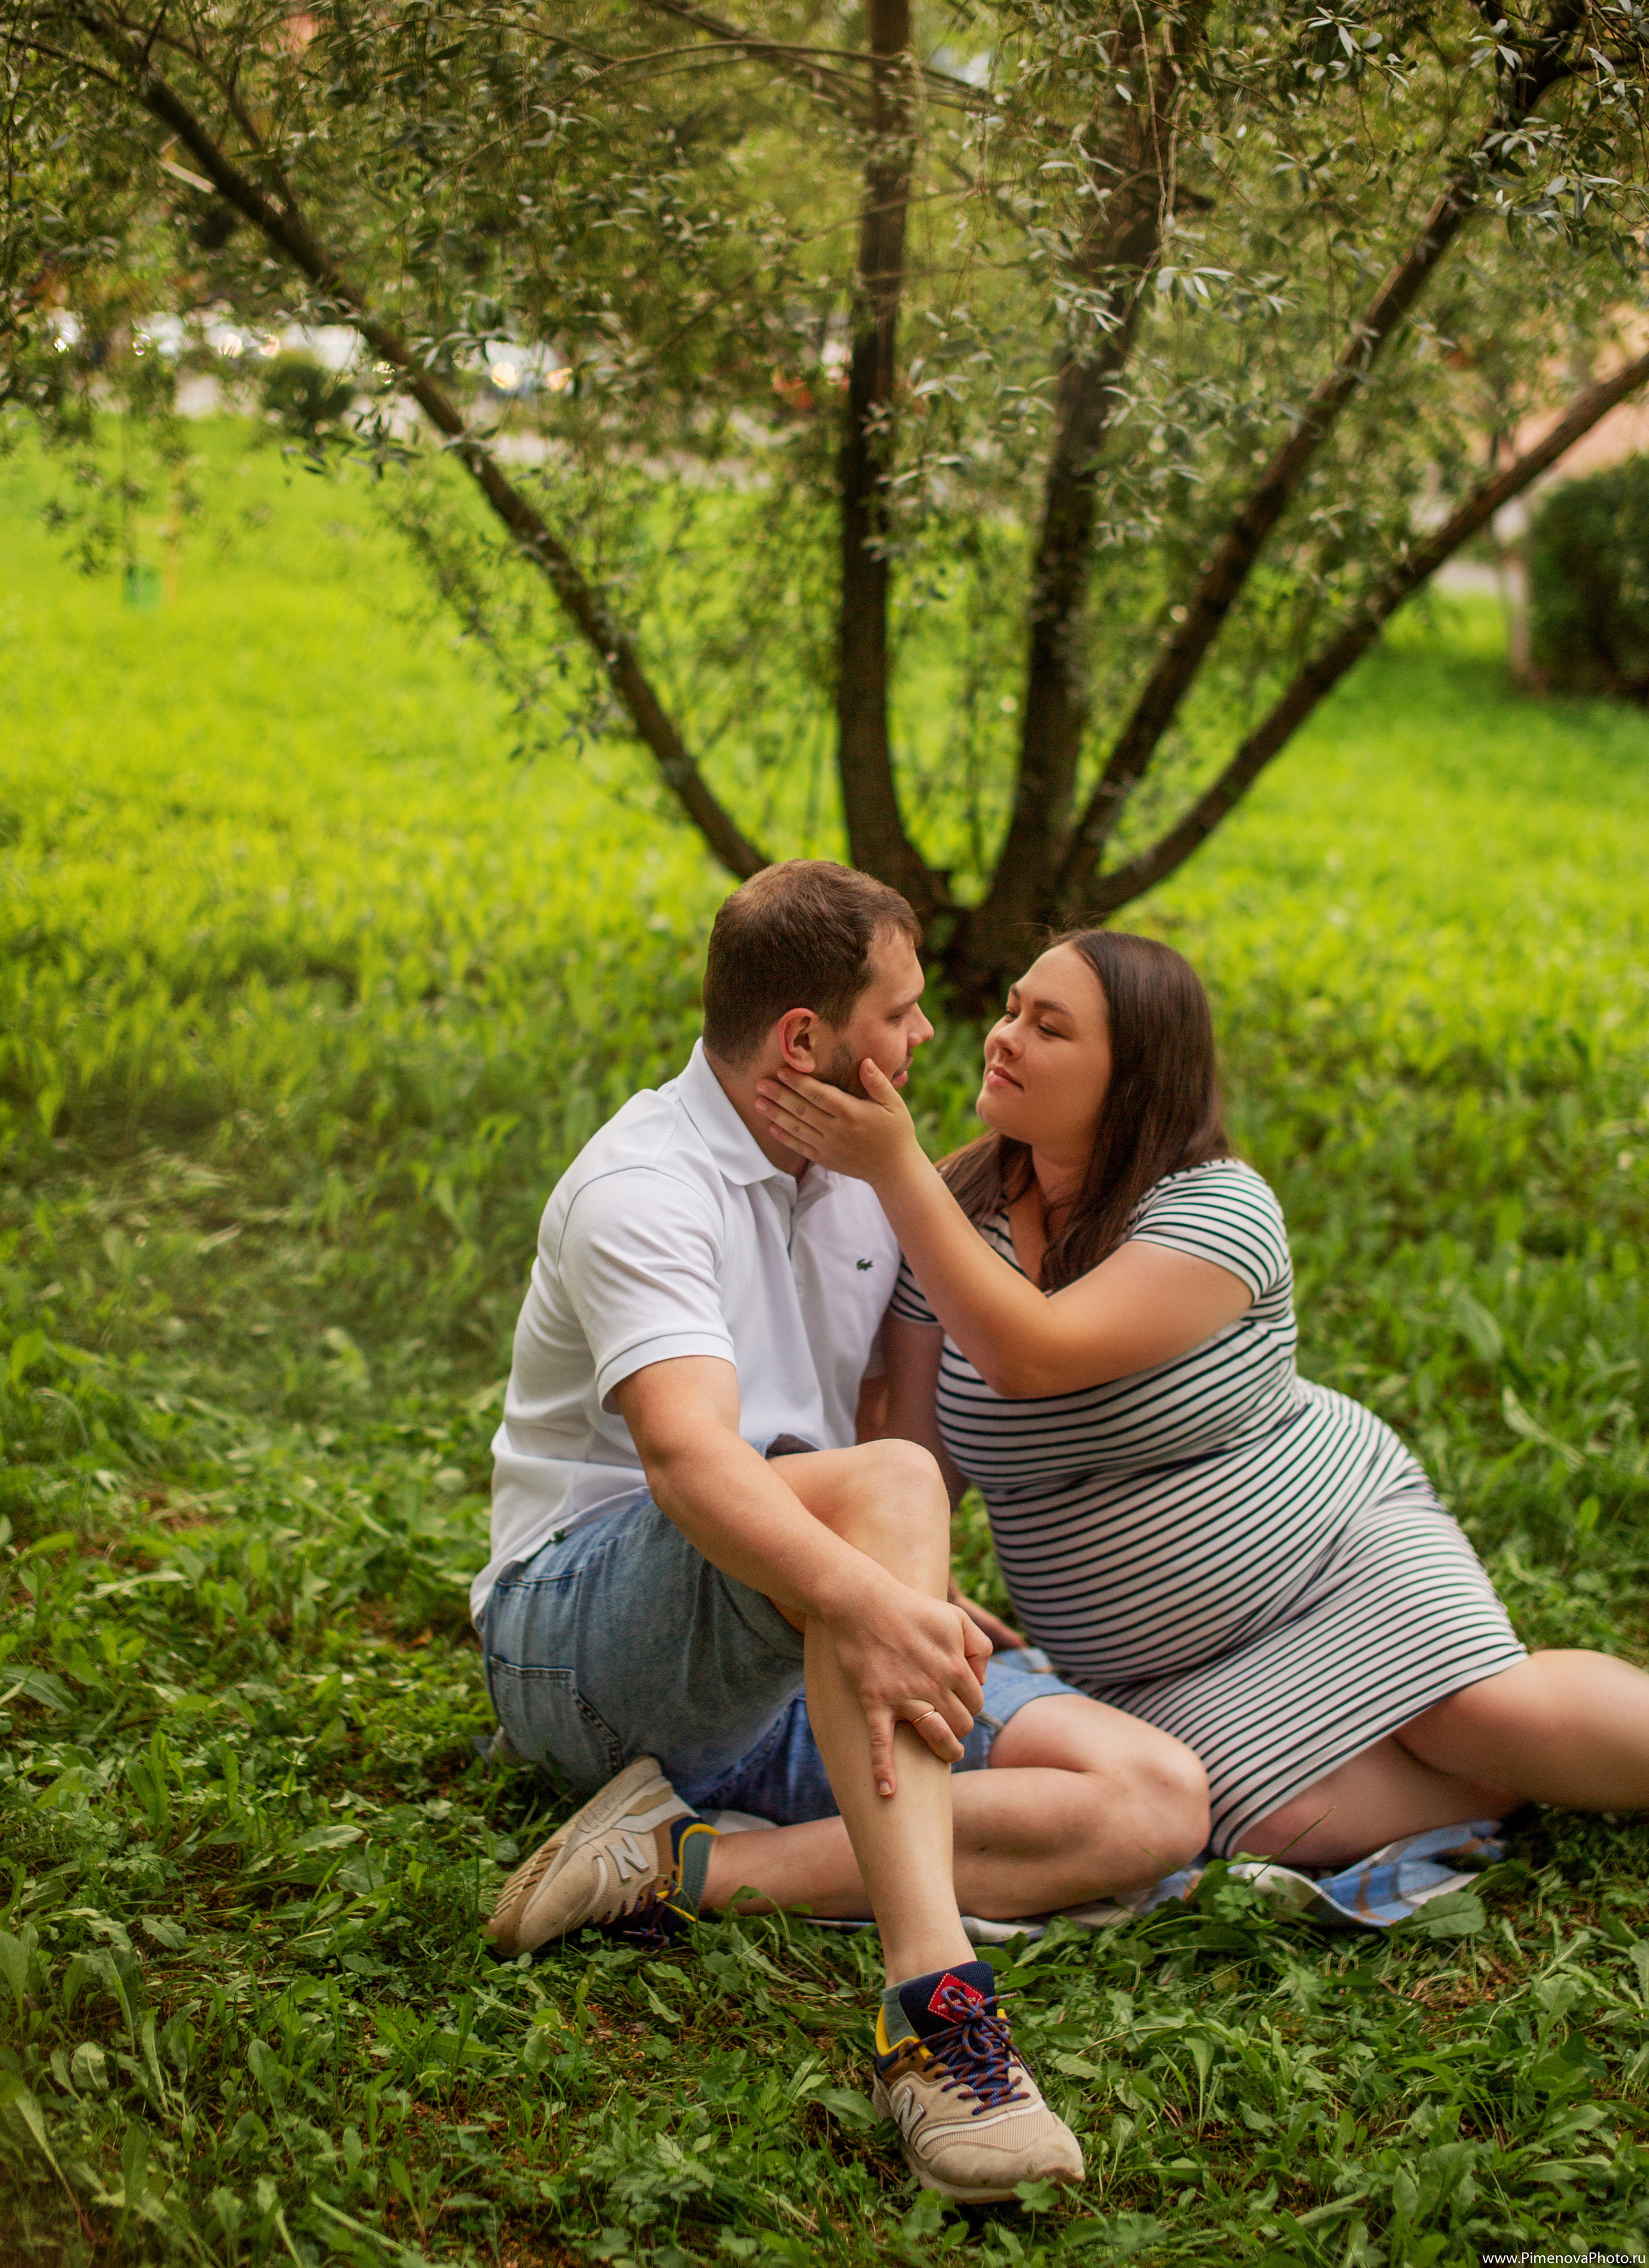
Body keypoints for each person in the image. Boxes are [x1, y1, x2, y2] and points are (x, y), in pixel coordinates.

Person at [473, 864, 1208, 2206]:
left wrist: (893, 1590)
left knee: (1151, 1798)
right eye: (905, 1009)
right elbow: (688, 1460)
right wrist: (874, 1593)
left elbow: (894, 1440)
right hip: (580, 1646)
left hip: (795, 1631)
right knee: (888, 1503)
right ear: (805, 1040)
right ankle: (933, 2018)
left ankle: (670, 1866)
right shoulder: (641, 1184)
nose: (931, 1038)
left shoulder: (874, 1182)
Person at [752, 925, 1649, 1869]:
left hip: (1326, 1555)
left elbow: (1035, 1357)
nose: (1004, 1037)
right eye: (1012, 1010)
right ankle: (1496, 1780)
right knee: (1280, 1830)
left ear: (1135, 1073)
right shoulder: (951, 1212)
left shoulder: (1216, 1208)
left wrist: (894, 1171)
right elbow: (918, 1448)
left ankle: (1466, 1726)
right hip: (1151, 1665)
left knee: (1476, 1710)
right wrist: (919, 1577)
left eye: (1050, 1028)